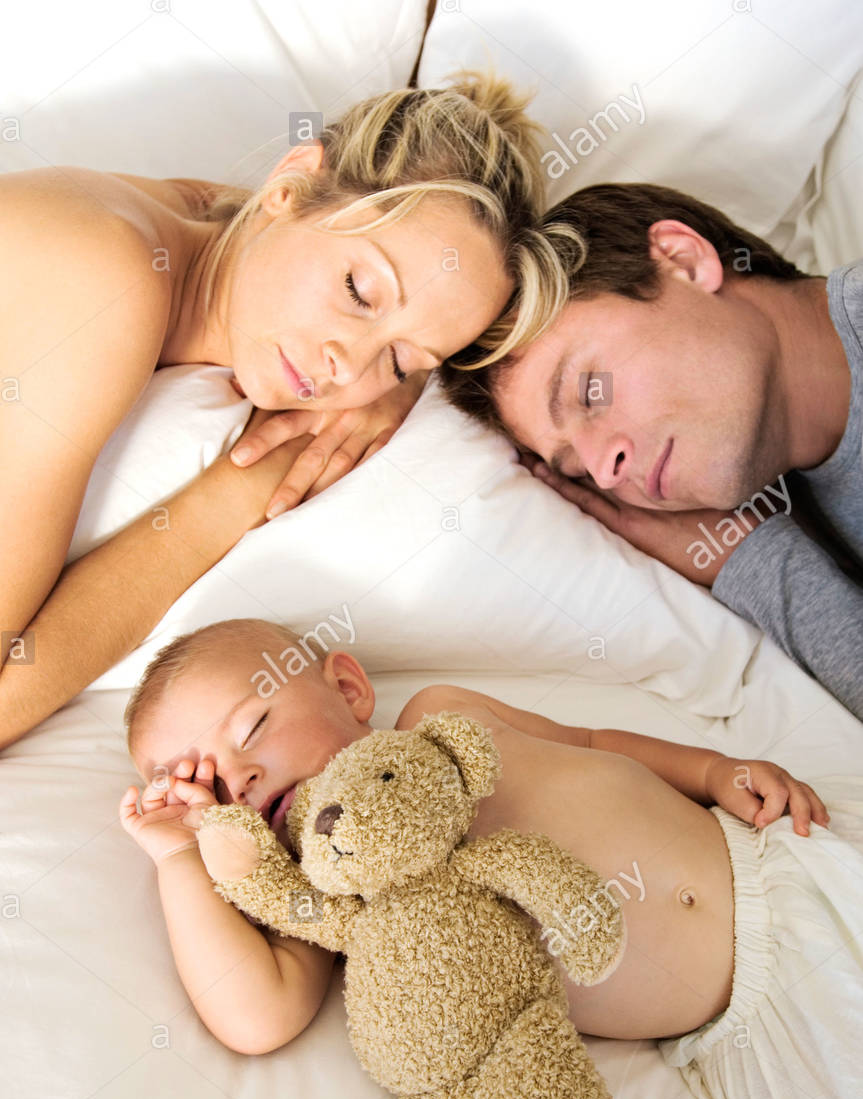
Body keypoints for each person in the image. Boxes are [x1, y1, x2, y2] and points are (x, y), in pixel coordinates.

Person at [119, 617, 863, 1099]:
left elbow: (592, 739)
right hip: (751, 1031)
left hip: (782, 859)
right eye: (208, 783)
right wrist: (179, 853)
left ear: (347, 689)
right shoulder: (337, 901)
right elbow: (258, 1016)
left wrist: (711, 771)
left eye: (252, 728)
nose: (240, 778)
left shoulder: (442, 718)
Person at [0, 71, 583, 751]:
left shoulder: (212, 226)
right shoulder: (109, 274)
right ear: (288, 185)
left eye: (401, 360)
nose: (347, 368)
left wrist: (396, 378)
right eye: (359, 291)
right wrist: (241, 488)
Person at [437, 182, 863, 720]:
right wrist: (746, 555)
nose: (604, 471)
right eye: (577, 469)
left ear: (684, 261)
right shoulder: (798, 501)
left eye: (590, 391)